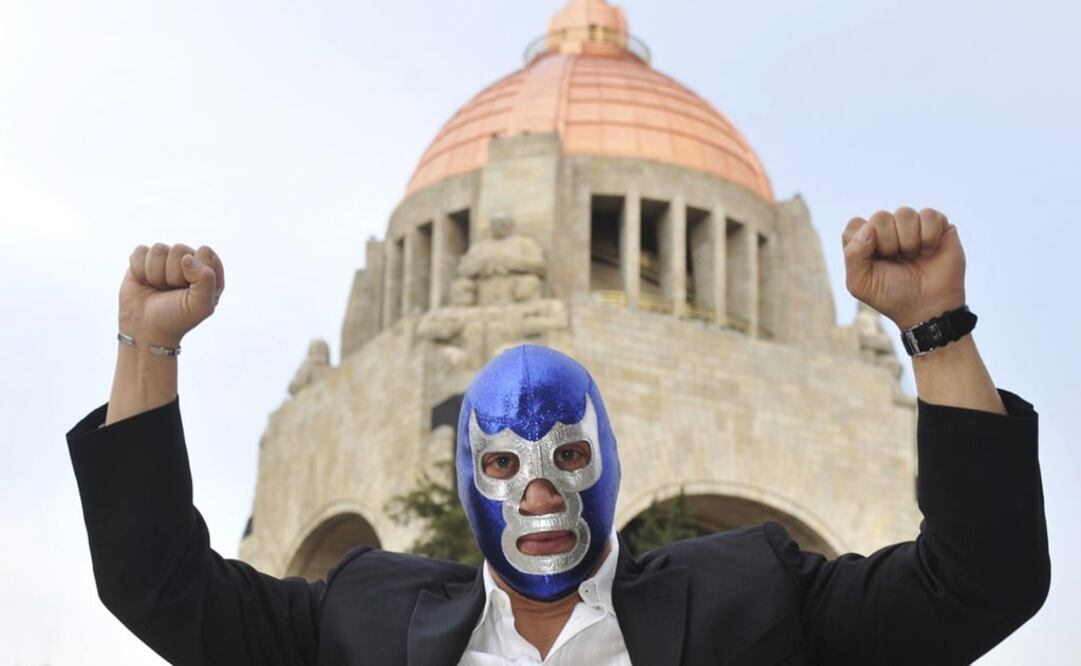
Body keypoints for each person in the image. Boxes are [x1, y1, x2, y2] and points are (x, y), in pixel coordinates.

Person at [67, 207, 1049, 665]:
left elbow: (979, 582)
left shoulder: (752, 591)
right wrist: (146, 347)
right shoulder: (365, 617)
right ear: (470, 476)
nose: (538, 493)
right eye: (503, 464)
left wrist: (936, 330)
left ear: (606, 458)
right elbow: (158, 587)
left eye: (567, 457)